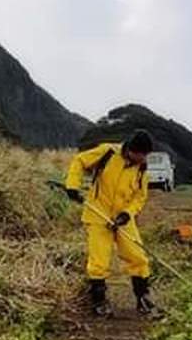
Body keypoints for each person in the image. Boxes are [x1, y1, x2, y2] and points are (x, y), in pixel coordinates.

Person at [64, 130, 158, 317]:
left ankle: (143, 299)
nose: (143, 158)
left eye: (146, 155)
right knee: (99, 261)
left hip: (123, 219)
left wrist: (126, 214)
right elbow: (80, 161)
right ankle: (99, 302)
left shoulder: (141, 169)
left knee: (138, 257)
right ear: (130, 150)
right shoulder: (107, 152)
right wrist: (72, 185)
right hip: (98, 214)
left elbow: (140, 197)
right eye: (141, 154)